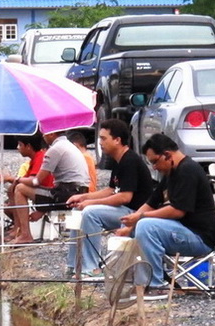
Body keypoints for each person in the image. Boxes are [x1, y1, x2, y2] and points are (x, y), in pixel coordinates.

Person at [120, 133, 215, 300]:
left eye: (154, 162)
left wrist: (140, 218)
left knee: (145, 225)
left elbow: (177, 211)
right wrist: (129, 224)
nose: (154, 167)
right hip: (182, 231)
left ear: (167, 155)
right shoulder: (171, 172)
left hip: (199, 237)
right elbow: (152, 202)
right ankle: (138, 282)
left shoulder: (188, 170)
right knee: (136, 225)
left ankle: (157, 286)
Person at [65, 119, 154, 279]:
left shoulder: (130, 160)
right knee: (78, 210)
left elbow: (125, 197)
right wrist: (83, 197)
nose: (100, 143)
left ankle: (92, 268)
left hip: (135, 213)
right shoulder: (118, 160)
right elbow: (111, 190)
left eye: (103, 138)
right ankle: (74, 265)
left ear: (117, 140)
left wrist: (90, 203)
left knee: (90, 213)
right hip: (123, 210)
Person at [9, 130, 90, 245]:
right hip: (80, 190)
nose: (43, 136)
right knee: (34, 189)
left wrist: (16, 179)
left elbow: (36, 181)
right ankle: (23, 232)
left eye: (45, 133)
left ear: (52, 133)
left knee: (20, 188)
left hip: (67, 193)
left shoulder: (55, 149)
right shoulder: (69, 145)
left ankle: (25, 234)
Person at [0, 133, 53, 241]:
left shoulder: (41, 157)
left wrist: (10, 178)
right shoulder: (35, 159)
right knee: (13, 187)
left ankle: (25, 233)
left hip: (49, 192)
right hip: (41, 192)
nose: (17, 148)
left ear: (28, 146)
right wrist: (11, 180)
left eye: (20, 145)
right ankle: (18, 227)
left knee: (19, 188)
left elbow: (33, 181)